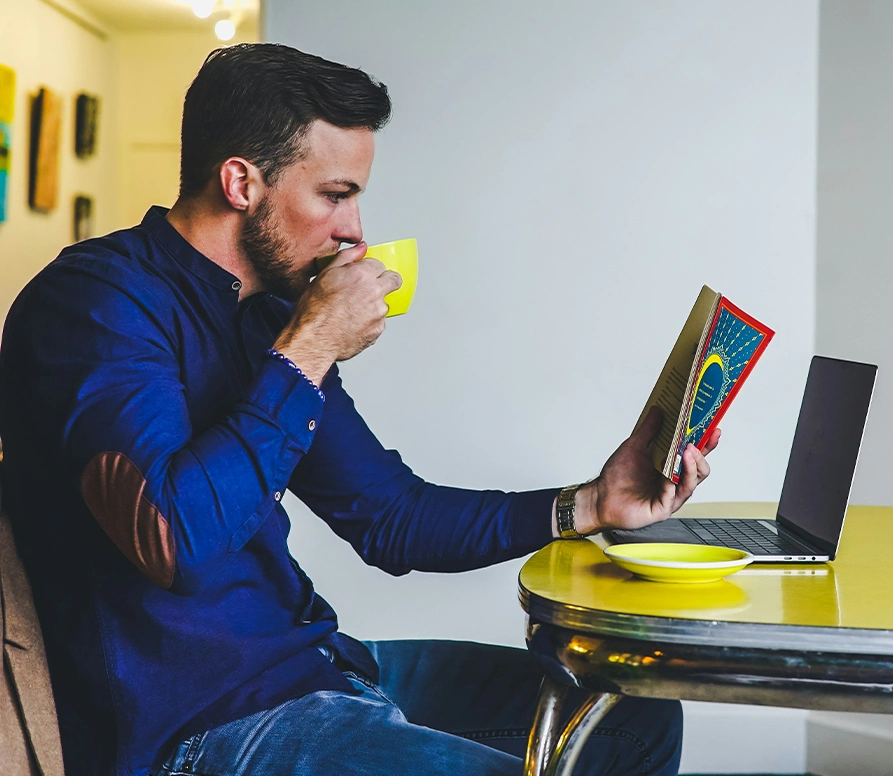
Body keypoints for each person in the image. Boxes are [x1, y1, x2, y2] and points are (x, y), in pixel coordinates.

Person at [0, 43, 719, 776]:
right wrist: (309, 349)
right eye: (335, 194)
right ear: (242, 182)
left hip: (316, 668)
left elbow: (392, 519)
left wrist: (592, 502)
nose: (354, 230)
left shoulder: (268, 319)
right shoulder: (94, 305)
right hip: (196, 724)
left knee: (632, 718)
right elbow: (173, 542)